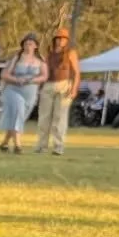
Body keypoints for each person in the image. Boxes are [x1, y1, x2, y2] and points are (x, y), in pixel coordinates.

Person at [34, 27, 81, 155]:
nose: (60, 41)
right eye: (58, 39)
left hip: (64, 85)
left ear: (67, 41)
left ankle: (58, 146)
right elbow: (44, 70)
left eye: (63, 39)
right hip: (48, 85)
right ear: (54, 40)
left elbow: (76, 72)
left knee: (59, 118)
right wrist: (40, 87)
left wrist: (74, 89)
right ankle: (41, 145)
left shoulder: (70, 53)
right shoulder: (50, 53)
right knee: (44, 118)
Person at [0, 35, 46, 153]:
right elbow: (4, 74)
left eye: (31, 43)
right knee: (18, 112)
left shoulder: (40, 61)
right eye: (26, 43)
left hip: (30, 94)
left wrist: (31, 80)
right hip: (13, 90)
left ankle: (4, 143)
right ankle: (18, 145)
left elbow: (44, 76)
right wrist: (16, 80)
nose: (28, 46)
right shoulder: (16, 58)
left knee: (18, 118)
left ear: (36, 46)